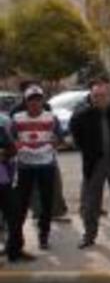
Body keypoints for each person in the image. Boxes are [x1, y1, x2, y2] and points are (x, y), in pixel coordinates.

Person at [71, 78, 110, 249]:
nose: (99, 99)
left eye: (103, 95)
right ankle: (89, 236)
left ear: (109, 96)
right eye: (96, 96)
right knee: (91, 202)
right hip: (94, 165)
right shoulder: (81, 115)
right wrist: (89, 152)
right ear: (91, 97)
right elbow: (76, 137)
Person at [9, 86, 62, 252]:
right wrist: (14, 146)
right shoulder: (17, 119)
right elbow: (10, 140)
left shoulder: (52, 118)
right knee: (21, 204)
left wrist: (57, 141)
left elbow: (60, 137)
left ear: (42, 101)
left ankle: (44, 236)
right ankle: (17, 240)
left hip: (46, 165)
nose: (35, 103)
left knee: (46, 203)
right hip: (25, 166)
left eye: (38, 99)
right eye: (31, 100)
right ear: (26, 102)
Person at [0, 123, 16, 263]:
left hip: (2, 179)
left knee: (12, 215)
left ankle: (12, 250)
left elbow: (12, 149)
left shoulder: (0, 129)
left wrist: (3, 154)